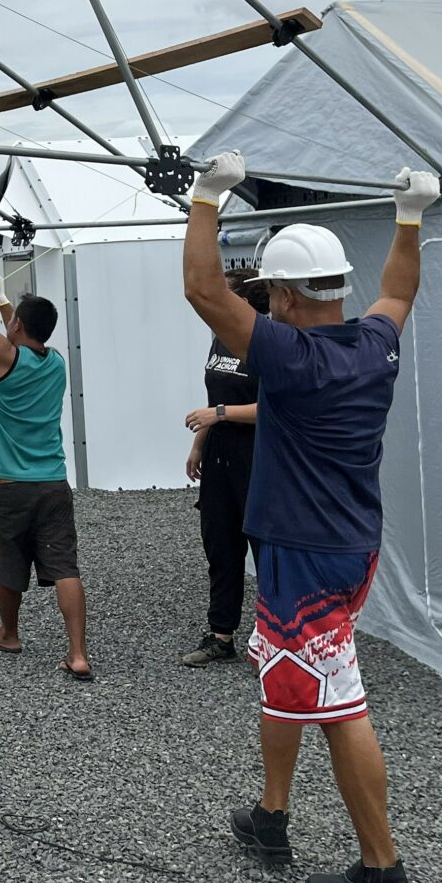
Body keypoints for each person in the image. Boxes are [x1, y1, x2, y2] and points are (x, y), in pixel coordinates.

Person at [182, 151, 439, 883]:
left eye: (269, 293)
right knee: (286, 674)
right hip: (349, 543)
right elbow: (400, 286)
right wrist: (409, 215)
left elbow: (202, 289)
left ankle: (382, 873)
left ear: (287, 297)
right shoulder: (374, 343)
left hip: (304, 554)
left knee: (338, 704)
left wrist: (205, 198)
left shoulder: (289, 356)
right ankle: (271, 818)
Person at [0, 227, 91, 678]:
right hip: (52, 483)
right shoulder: (56, 363)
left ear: (15, 329)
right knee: (64, 566)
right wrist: (4, 296)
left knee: (7, 560)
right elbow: (20, 332)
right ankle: (78, 653)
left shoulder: (5, 360)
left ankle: (8, 633)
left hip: (8, 486)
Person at [179, 274, 265, 667]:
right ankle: (221, 636)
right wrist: (199, 443)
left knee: (266, 552)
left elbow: (275, 408)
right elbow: (217, 393)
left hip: (257, 458)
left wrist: (218, 414)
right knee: (221, 546)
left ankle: (273, 641)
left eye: (227, 296)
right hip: (219, 456)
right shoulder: (220, 337)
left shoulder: (268, 342)